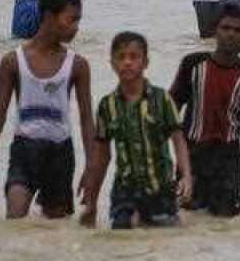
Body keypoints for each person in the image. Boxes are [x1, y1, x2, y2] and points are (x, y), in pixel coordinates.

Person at [0, 0, 94, 220]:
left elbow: (87, 119)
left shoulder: (77, 65)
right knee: (15, 216)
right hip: (24, 151)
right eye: (71, 19)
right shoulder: (12, 61)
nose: (76, 27)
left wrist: (91, 167)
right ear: (48, 17)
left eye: (79, 20)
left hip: (60, 154)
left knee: (55, 229)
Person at [80, 32, 192, 229]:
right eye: (121, 57)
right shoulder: (107, 105)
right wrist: (92, 202)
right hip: (125, 190)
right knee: (123, 233)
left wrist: (186, 176)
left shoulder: (162, 99)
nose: (127, 63)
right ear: (112, 63)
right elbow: (102, 156)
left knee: (167, 238)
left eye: (134, 57)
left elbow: (178, 141)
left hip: (161, 188)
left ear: (145, 62)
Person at [170, 4, 240, 217]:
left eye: (238, 30)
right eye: (226, 28)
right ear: (215, 30)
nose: (230, 34)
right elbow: (170, 111)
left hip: (227, 164)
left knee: (226, 224)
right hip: (191, 158)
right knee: (185, 219)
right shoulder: (192, 65)